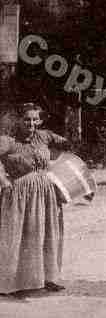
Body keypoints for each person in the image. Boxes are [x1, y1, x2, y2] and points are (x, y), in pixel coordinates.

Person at [0, 104, 70, 297]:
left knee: (47, 234)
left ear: (39, 121)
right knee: (22, 236)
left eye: (34, 119)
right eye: (26, 119)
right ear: (19, 121)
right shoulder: (8, 141)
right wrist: (3, 179)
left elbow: (67, 145)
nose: (31, 123)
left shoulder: (45, 136)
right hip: (20, 195)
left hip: (46, 193)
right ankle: (13, 283)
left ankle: (49, 278)